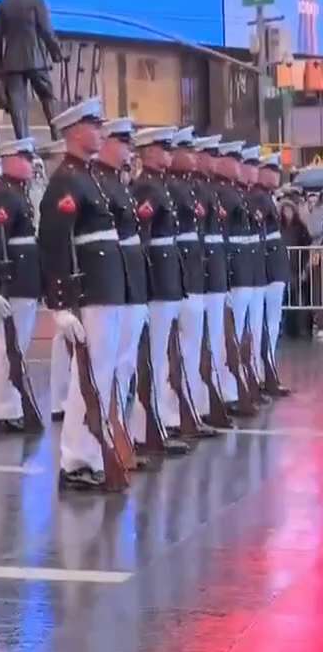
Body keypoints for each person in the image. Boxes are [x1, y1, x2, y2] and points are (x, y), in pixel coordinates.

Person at [39, 98, 127, 491]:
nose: (101, 132)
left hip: (107, 289)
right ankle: (75, 460)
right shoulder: (65, 181)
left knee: (100, 376)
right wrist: (59, 305)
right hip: (90, 290)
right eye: (94, 125)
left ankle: (90, 455)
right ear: (75, 132)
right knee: (86, 379)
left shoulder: (89, 178)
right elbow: (55, 244)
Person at [92, 119, 151, 455]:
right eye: (123, 143)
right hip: (111, 286)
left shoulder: (117, 185)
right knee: (107, 368)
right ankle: (101, 443)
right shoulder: (99, 184)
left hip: (129, 284)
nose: (130, 151)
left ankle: (119, 436)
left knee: (125, 364)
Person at [131, 126, 190, 439]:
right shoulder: (145, 188)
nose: (169, 154)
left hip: (167, 280)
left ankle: (162, 420)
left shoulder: (160, 186)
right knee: (152, 356)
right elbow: (142, 240)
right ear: (149, 152)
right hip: (156, 281)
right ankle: (145, 429)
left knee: (163, 354)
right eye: (163, 149)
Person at [0, 137, 41, 435]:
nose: (30, 164)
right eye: (25, 159)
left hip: (24, 280)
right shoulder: (4, 197)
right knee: (8, 347)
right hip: (13, 282)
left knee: (17, 346)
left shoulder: (17, 194)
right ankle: (5, 410)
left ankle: (12, 405)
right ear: (9, 161)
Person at [168, 127, 218, 435]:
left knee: (194, 345)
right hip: (174, 274)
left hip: (191, 271)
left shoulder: (192, 187)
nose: (195, 158)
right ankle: (170, 416)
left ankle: (192, 409)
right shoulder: (168, 187)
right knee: (169, 351)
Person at [0, 0, 62, 139]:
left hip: (12, 63)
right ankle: (57, 135)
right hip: (36, 59)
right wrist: (56, 51)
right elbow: (46, 29)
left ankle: (23, 142)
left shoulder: (2, 4)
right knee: (47, 97)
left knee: (18, 105)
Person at [191, 134, 234, 421]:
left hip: (210, 271)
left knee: (216, 339)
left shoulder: (210, 189)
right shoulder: (196, 189)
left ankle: (209, 399)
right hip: (196, 273)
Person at [212, 140, 255, 413]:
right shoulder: (222, 193)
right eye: (237, 161)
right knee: (226, 336)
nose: (242, 167)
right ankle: (227, 391)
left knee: (238, 333)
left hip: (239, 269)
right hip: (228, 271)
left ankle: (232, 389)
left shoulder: (232, 194)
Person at [39, 140, 69, 422]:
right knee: (64, 342)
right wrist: (55, 292)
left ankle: (63, 400)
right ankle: (59, 401)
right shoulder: (57, 191)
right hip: (69, 276)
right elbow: (52, 242)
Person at [256, 152, 291, 391]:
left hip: (274, 264)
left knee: (272, 323)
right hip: (267, 266)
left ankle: (268, 371)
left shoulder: (268, 197)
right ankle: (264, 372)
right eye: (272, 170)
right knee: (267, 324)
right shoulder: (259, 198)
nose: (276, 175)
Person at [240, 146, 268, 389]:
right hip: (232, 272)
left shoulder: (244, 196)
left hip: (250, 269)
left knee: (255, 326)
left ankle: (254, 376)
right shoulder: (243, 197)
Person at [280, 199, 313, 339]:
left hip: (297, 267)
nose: (287, 213)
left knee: (296, 298)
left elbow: (308, 247)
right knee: (283, 300)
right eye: (284, 210)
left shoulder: (300, 228)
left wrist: (306, 268)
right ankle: (284, 329)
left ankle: (297, 329)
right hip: (282, 268)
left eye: (289, 210)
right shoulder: (277, 227)